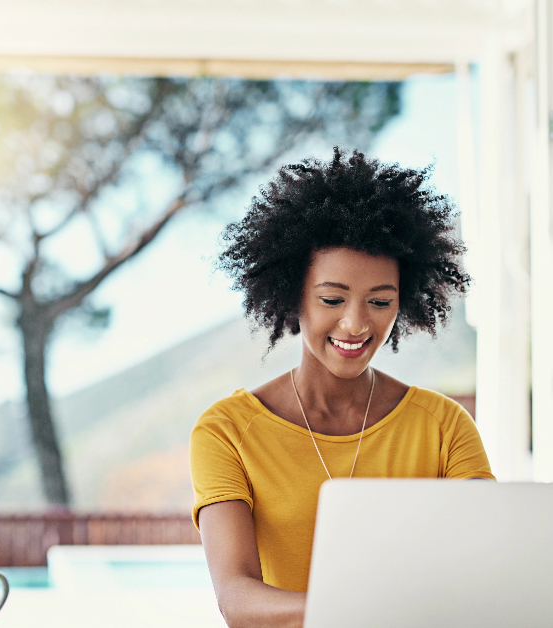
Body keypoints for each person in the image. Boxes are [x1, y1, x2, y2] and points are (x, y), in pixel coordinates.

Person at [190, 149, 495, 628]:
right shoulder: (227, 432)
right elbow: (237, 599)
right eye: (332, 298)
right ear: (294, 293)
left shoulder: (444, 427)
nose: (355, 324)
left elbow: (488, 567)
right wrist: (356, 611)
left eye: (379, 301)